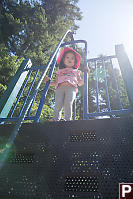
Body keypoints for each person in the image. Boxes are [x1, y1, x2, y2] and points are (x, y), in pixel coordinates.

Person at [44, 47, 90, 121]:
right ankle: (55, 119)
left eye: (72, 58)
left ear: (75, 62)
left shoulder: (76, 72)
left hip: (71, 88)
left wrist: (86, 75)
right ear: (63, 60)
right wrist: (47, 82)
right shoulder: (60, 71)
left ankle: (67, 119)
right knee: (58, 103)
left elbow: (80, 83)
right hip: (60, 88)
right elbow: (55, 82)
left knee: (68, 103)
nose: (70, 59)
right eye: (67, 57)